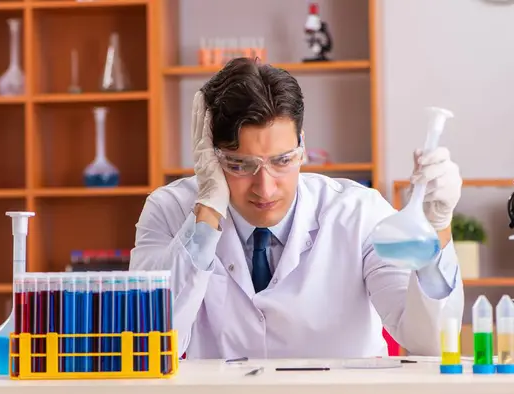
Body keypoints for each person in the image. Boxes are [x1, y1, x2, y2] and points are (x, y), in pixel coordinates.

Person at [129, 57, 464, 359]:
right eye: (241, 165)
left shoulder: (357, 213)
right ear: (211, 156)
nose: (265, 187)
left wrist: (437, 228)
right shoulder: (169, 211)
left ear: (302, 146)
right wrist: (206, 214)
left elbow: (430, 342)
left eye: (282, 160)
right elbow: (148, 346)